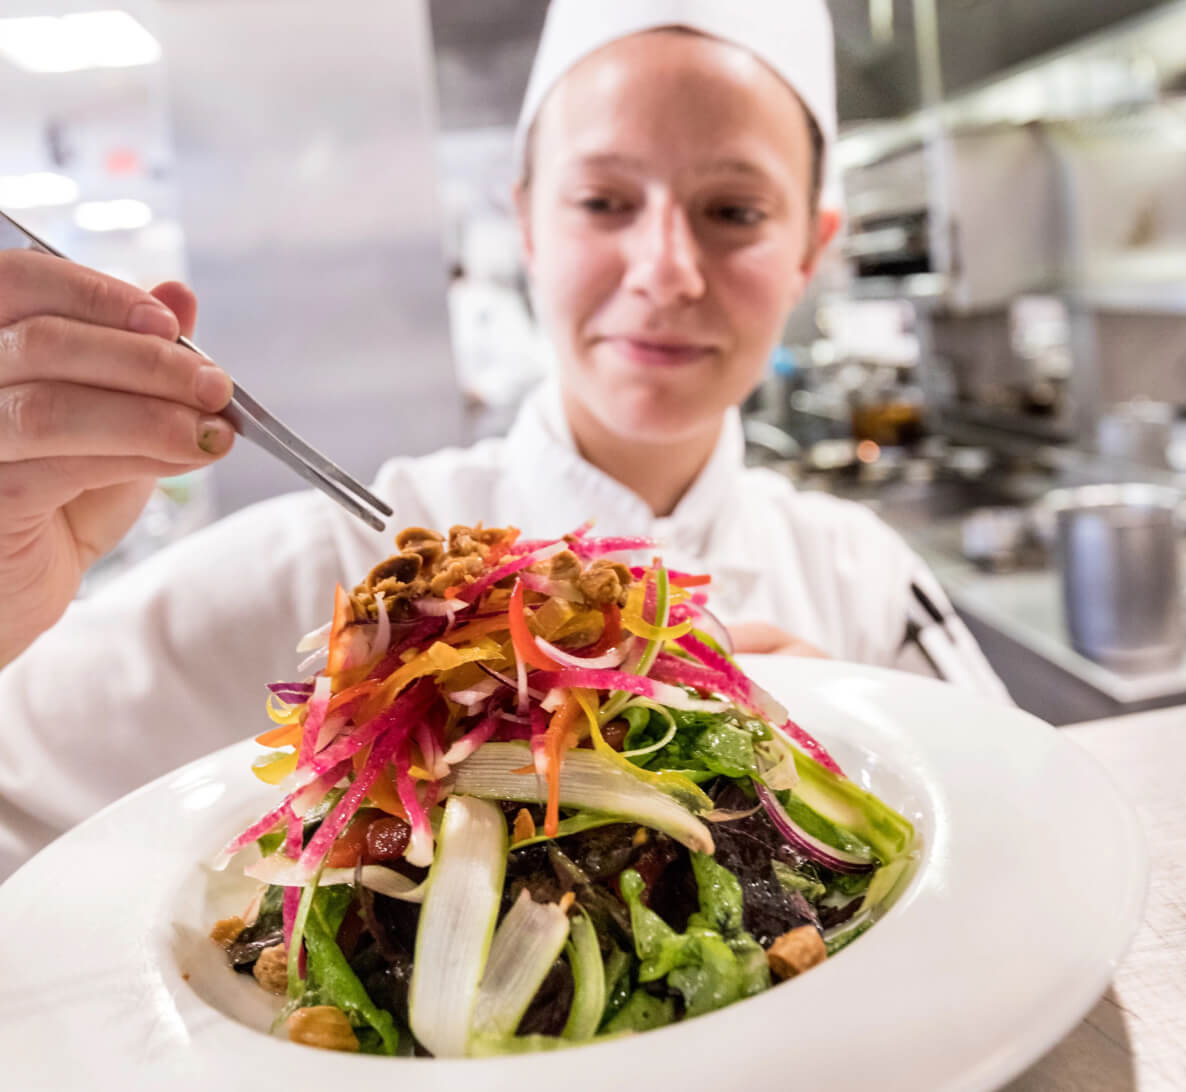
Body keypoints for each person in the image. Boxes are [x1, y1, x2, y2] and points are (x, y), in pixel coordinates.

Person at [0, 0, 1007, 880]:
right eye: (603, 201)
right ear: (527, 224)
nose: (665, 270)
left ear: (808, 252)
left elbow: (1020, 851)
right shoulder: (337, 566)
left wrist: (836, 766)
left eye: (733, 211)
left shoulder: (858, 573)